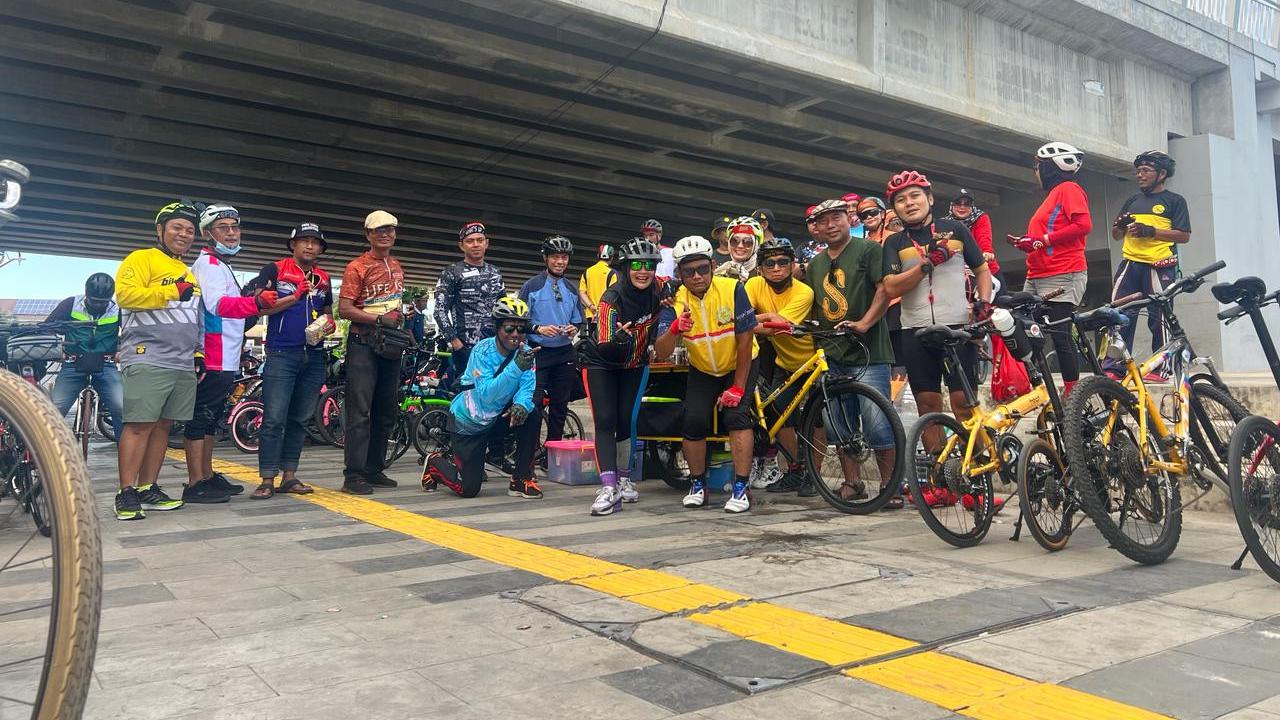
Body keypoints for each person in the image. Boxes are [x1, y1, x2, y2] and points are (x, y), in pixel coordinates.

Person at [654, 235, 758, 513]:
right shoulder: (675, 299)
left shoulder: (733, 288)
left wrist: (737, 387)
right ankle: (697, 483)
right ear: (679, 273)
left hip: (739, 362)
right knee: (693, 421)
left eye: (703, 269)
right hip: (703, 369)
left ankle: (741, 486)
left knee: (735, 416)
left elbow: (746, 340)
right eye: (689, 271)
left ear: (713, 266)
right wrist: (676, 328)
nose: (697, 276)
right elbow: (661, 352)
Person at [112, 202, 203, 521]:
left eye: (190, 230)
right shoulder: (142, 258)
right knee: (139, 424)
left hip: (181, 361)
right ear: (160, 230)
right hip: (147, 356)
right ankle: (126, 492)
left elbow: (195, 315)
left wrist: (198, 351)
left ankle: (148, 487)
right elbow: (124, 295)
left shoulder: (188, 271)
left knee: (164, 424)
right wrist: (170, 293)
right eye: (177, 227)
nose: (184, 234)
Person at [803, 199, 898, 505]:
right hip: (831, 352)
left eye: (837, 217)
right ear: (816, 228)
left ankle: (890, 485)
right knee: (839, 424)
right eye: (824, 220)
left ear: (849, 219)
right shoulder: (815, 265)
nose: (831, 225)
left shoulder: (869, 250)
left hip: (869, 351)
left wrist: (864, 323)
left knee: (878, 423)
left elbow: (885, 290)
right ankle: (853, 482)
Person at [882, 171, 992, 428]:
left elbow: (982, 270)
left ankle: (979, 466)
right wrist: (926, 264)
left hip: (958, 327)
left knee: (964, 406)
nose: (908, 203)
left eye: (914, 196)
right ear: (895, 208)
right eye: (900, 200)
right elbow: (890, 287)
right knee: (928, 410)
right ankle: (938, 468)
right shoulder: (894, 243)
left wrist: (984, 302)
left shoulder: (956, 230)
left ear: (929, 198)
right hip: (915, 331)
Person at [184, 203, 271, 503]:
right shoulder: (208, 265)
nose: (232, 233)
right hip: (212, 352)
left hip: (227, 353)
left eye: (235, 227)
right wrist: (257, 304)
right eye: (224, 228)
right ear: (208, 233)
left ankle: (206, 474)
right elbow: (218, 305)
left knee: (212, 418)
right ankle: (195, 482)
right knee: (201, 417)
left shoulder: (221, 265)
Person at [246, 222, 334, 499]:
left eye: (315, 242)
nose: (310, 246)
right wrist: (295, 296)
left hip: (314, 354)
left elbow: (328, 311)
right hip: (281, 354)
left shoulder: (323, 277)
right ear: (293, 245)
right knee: (274, 418)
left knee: (300, 419)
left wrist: (328, 324)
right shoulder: (274, 269)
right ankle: (266, 479)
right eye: (304, 240)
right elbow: (261, 305)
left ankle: (290, 476)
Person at [579, 238, 663, 515]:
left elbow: (675, 288)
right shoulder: (610, 298)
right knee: (606, 420)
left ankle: (626, 479)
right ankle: (608, 486)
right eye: (637, 264)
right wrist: (619, 337)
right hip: (601, 363)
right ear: (625, 267)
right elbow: (604, 342)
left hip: (635, 364)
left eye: (649, 265)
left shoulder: (659, 290)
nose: (643, 271)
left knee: (628, 419)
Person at [429, 296, 541, 499]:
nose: (515, 334)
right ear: (498, 328)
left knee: (532, 414)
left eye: (521, 329)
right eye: (509, 328)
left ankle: (520, 479)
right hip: (470, 422)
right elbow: (487, 395)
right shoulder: (482, 352)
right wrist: (516, 367)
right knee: (469, 489)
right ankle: (435, 463)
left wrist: (521, 405)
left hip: (496, 418)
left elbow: (527, 386)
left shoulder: (526, 352)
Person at [1008, 142, 1092, 395]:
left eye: (1037, 167)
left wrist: (1042, 240)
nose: (1036, 173)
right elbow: (1050, 232)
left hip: (1063, 273)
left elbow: (1084, 225)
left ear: (1049, 167)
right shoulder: (1053, 196)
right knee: (1021, 329)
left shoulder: (1069, 189)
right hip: (1037, 273)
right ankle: (1036, 389)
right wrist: (1029, 241)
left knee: (1059, 333)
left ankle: (1073, 396)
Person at [338, 210, 408, 495]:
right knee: (360, 411)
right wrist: (379, 319)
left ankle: (374, 469)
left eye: (390, 230)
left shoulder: (398, 265)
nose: (386, 234)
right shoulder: (357, 266)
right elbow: (344, 309)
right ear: (368, 235)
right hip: (363, 344)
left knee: (386, 409)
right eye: (379, 230)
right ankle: (353, 475)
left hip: (390, 345)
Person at [743, 238, 815, 496]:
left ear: (792, 264)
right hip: (784, 364)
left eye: (783, 262)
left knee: (815, 421)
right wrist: (763, 319)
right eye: (769, 263)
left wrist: (752, 321)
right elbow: (741, 316)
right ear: (760, 268)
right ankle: (795, 471)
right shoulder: (753, 284)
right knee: (781, 417)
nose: (776, 268)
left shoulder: (803, 292)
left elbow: (780, 326)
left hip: (810, 361)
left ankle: (814, 477)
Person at [1110, 150, 1191, 377]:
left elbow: (1184, 235)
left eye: (1146, 170)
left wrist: (1151, 231)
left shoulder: (1175, 201)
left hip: (1159, 264)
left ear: (1162, 173)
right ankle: (1114, 367)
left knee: (1159, 317)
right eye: (1138, 171)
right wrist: (1121, 225)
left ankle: (1160, 367)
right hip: (1130, 264)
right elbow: (1117, 235)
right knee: (1119, 314)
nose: (1140, 175)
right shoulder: (1132, 200)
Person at [518, 236, 583, 446]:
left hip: (564, 352)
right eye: (555, 257)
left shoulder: (572, 289)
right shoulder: (531, 286)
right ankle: (530, 449)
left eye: (564, 257)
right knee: (534, 404)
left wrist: (575, 328)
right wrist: (539, 329)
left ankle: (554, 451)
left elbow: (579, 321)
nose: (560, 262)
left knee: (560, 406)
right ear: (546, 258)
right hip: (538, 352)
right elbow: (517, 321)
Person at [46, 273, 124, 442]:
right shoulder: (70, 304)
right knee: (55, 409)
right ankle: (45, 454)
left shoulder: (119, 309)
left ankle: (125, 454)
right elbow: (47, 328)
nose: (97, 304)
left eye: (102, 302)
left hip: (106, 365)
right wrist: (56, 349)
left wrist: (122, 350)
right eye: (93, 300)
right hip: (73, 364)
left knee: (121, 408)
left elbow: (131, 333)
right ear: (86, 294)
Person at [435, 221, 506, 378]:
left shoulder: (495, 273)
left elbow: (504, 310)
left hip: (494, 347)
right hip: (465, 347)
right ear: (461, 245)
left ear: (486, 243)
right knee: (467, 396)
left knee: (495, 395)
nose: (475, 245)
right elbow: (439, 311)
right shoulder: (452, 272)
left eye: (479, 240)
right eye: (470, 241)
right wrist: (456, 343)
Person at [945, 189, 1002, 293]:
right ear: (952, 205)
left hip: (985, 269)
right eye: (958, 203)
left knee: (1003, 304)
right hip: (957, 273)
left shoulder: (981, 217)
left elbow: (984, 237)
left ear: (972, 206)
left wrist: (986, 252)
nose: (962, 207)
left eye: (967, 204)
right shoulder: (945, 224)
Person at [579, 244, 615, 334]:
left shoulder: (587, 272)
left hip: (591, 315)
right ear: (612, 258)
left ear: (598, 256)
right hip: (606, 316)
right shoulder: (612, 273)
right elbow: (614, 295)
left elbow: (582, 292)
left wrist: (591, 307)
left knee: (591, 341)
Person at [715, 216, 761, 281]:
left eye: (747, 241)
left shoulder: (764, 273)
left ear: (756, 245)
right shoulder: (720, 273)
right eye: (735, 241)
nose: (740, 246)